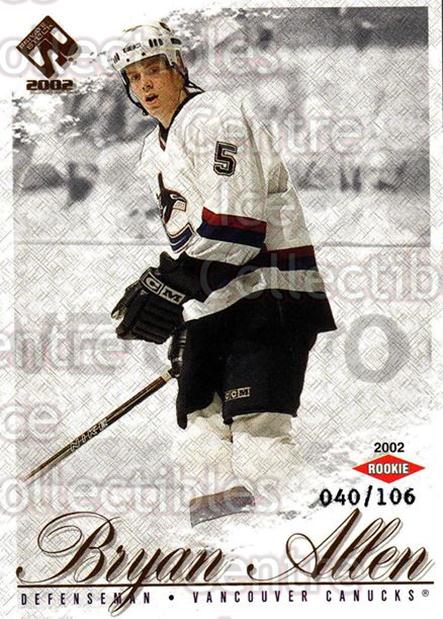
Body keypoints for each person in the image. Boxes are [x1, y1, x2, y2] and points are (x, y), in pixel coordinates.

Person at [110, 21, 336, 526]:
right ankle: (226, 551)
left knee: (259, 438)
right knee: (201, 436)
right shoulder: (154, 149)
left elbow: (238, 226)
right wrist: (183, 308)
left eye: (153, 70)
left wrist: (172, 286)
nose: (145, 84)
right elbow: (193, 238)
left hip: (269, 292)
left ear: (179, 68)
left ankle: (307, 540)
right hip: (216, 299)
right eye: (134, 77)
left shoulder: (214, 115)